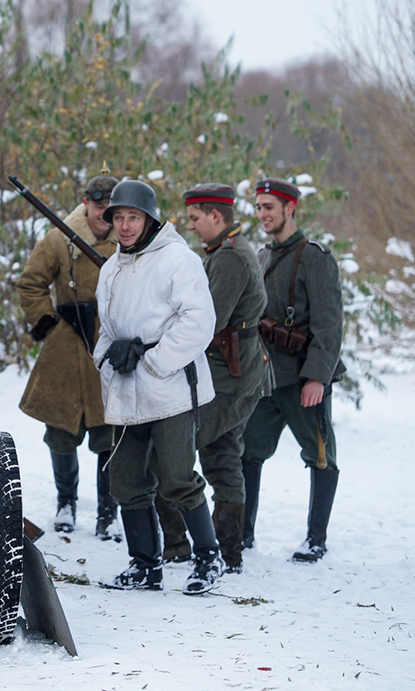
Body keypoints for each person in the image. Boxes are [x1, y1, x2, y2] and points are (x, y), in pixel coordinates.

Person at [93, 179, 224, 594]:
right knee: (126, 480)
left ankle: (208, 557)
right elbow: (107, 330)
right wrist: (106, 358)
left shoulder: (177, 260)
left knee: (177, 477)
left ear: (149, 219)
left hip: (170, 388)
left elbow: (199, 321)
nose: (125, 226)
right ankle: (145, 565)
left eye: (133, 217)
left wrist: (154, 360)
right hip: (127, 385)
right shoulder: (111, 267)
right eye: (118, 218)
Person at [153, 183, 272, 573]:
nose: (190, 226)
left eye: (194, 218)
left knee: (172, 457)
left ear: (215, 216)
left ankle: (179, 547)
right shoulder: (226, 252)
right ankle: (227, 553)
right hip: (231, 373)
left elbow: (209, 320)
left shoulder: (231, 258)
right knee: (222, 459)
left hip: (229, 378)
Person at [242, 177, 346, 563]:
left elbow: (329, 324)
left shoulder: (315, 257)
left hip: (303, 377)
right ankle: (242, 533)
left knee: (320, 455)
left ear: (290, 208)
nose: (262, 214)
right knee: (247, 452)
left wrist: (318, 376)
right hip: (266, 378)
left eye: (269, 207)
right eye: (258, 207)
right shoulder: (262, 255)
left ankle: (315, 539)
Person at [15, 175, 120, 537]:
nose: (104, 211)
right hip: (66, 347)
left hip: (111, 345)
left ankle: (109, 511)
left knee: (110, 433)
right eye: (98, 204)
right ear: (86, 203)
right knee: (60, 432)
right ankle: (66, 503)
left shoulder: (130, 240)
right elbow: (31, 282)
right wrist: (48, 323)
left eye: (111, 204)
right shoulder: (60, 238)